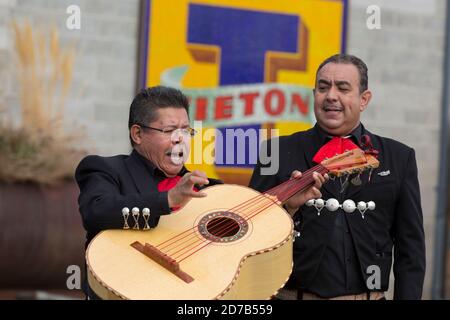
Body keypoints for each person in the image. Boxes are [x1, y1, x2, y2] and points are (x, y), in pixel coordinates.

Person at [75, 85, 325, 299]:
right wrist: (167, 200)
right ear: (137, 134)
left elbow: (250, 241)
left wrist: (288, 207)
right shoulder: (105, 169)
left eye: (186, 131)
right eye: (170, 131)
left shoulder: (211, 190)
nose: (180, 140)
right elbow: (96, 211)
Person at [249, 54, 426, 300]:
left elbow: (411, 250)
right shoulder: (275, 152)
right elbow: (249, 238)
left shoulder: (399, 157)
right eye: (323, 87)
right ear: (314, 94)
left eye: (343, 88)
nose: (331, 95)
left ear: (364, 99)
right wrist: (287, 206)